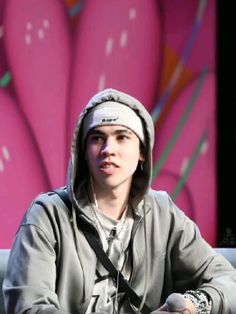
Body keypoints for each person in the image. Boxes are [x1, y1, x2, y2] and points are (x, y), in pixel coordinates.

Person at [2, 88, 236, 314]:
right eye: (97, 138)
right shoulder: (47, 215)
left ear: (142, 151)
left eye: (122, 137)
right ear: (83, 151)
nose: (108, 149)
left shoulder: (164, 214)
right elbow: (28, 306)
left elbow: (229, 282)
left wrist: (192, 305)